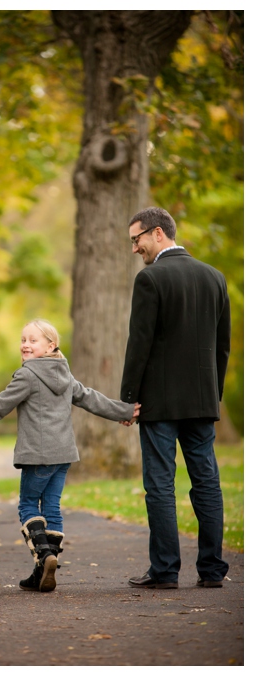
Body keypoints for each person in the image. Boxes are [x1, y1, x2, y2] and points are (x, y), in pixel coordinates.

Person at [0, 320, 139, 592]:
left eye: (33, 340)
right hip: (64, 455)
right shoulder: (64, 374)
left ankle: (44, 556)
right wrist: (124, 411)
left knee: (28, 506)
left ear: (50, 345)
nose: (25, 344)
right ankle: (41, 570)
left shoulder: (27, 375)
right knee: (52, 509)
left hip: (38, 456)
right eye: (23, 339)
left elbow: (0, 404)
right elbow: (91, 398)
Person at [122, 207, 231, 590]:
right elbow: (223, 348)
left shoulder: (151, 279)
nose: (134, 248)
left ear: (156, 233)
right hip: (202, 401)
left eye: (136, 239)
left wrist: (128, 399)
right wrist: (212, 396)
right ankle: (213, 570)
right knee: (207, 482)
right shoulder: (215, 277)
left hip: (160, 403)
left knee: (160, 485)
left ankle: (165, 571)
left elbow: (140, 345)